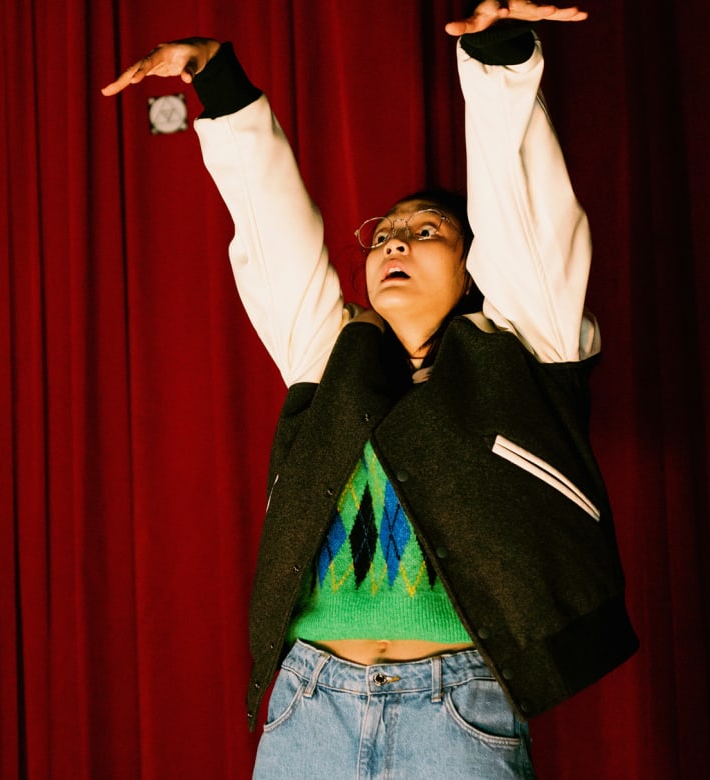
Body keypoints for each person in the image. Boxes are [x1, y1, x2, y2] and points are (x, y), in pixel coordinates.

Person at [103, 2, 636, 776]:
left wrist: (497, 55)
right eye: (384, 234)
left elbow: (527, 212)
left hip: (457, 716)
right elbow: (272, 237)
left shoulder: (525, 346)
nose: (394, 243)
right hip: (309, 706)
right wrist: (217, 79)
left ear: (473, 267)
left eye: (426, 232)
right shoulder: (333, 357)